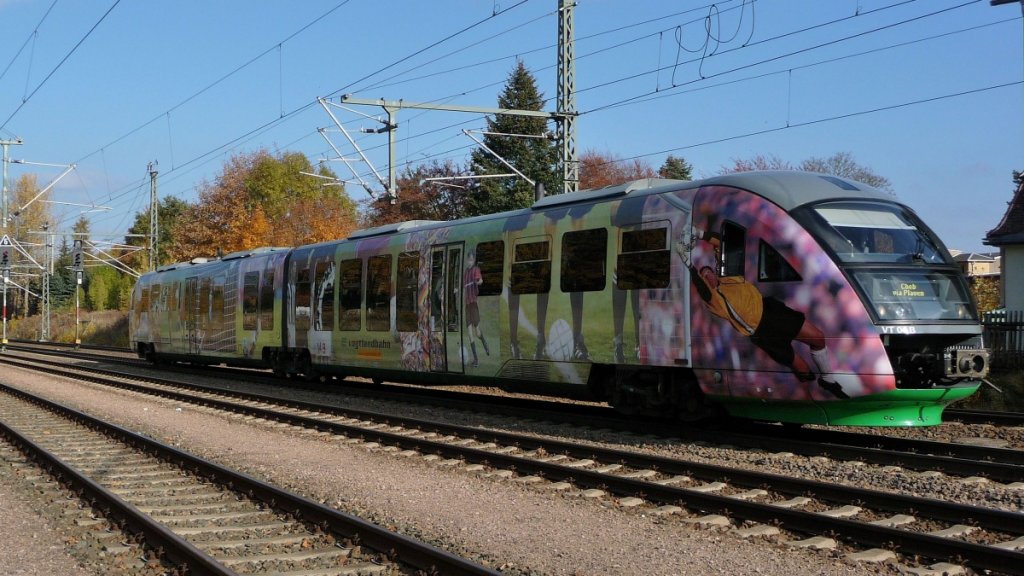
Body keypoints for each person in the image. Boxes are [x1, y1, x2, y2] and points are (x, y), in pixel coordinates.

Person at [677, 229, 848, 399]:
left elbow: (724, 242)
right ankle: (812, 399)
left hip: (770, 310)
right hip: (760, 331)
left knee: (818, 338)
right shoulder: (714, 301)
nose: (708, 275)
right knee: (800, 367)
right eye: (704, 275)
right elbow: (701, 287)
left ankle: (828, 379)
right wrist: (690, 265)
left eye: (709, 272)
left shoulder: (730, 277)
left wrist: (699, 233)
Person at [463, 249, 490, 367]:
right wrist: (457, 290)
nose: (469, 262)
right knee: (469, 334)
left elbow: (480, 280)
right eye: (468, 260)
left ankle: (483, 340)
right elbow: (464, 285)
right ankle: (476, 360)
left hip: (473, 304)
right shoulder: (465, 273)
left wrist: (479, 282)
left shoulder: (475, 270)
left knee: (477, 332)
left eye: (471, 259)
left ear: (474, 260)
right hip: (467, 305)